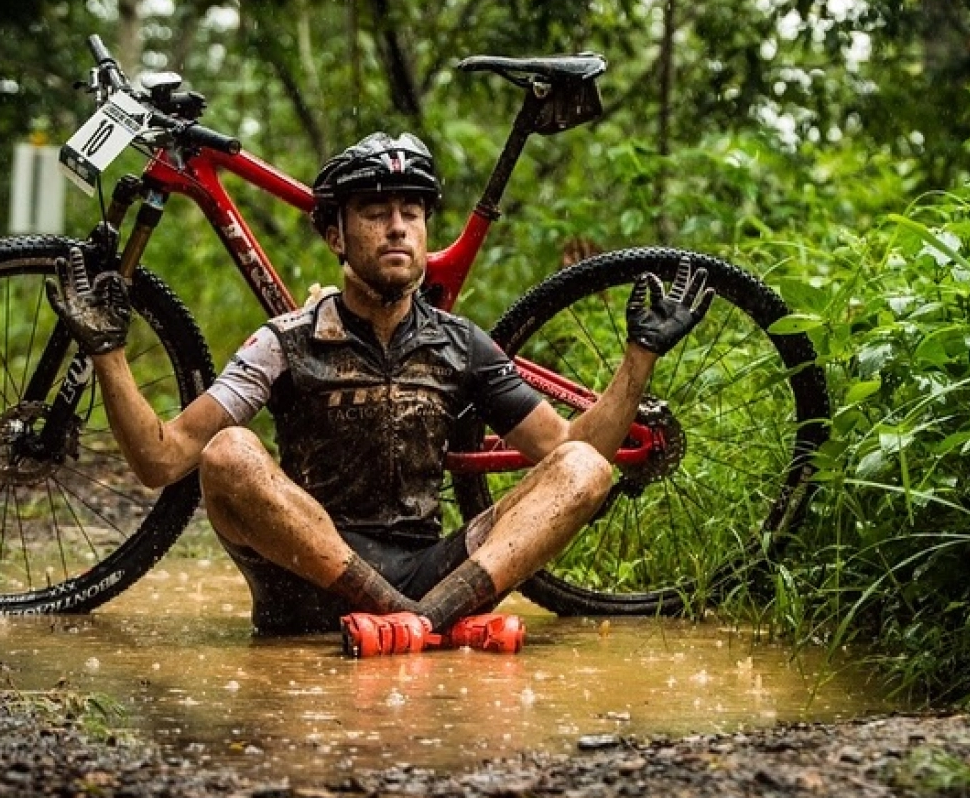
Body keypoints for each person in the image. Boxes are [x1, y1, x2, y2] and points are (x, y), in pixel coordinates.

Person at [46, 132, 712, 656]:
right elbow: (163, 459)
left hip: (432, 574)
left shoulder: (462, 344)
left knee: (586, 467)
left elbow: (569, 458)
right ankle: (428, 627)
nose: (397, 226)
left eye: (411, 213)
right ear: (335, 234)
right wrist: (108, 353)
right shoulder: (284, 340)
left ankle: (418, 622)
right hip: (307, 592)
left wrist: (639, 358)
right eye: (375, 213)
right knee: (229, 453)